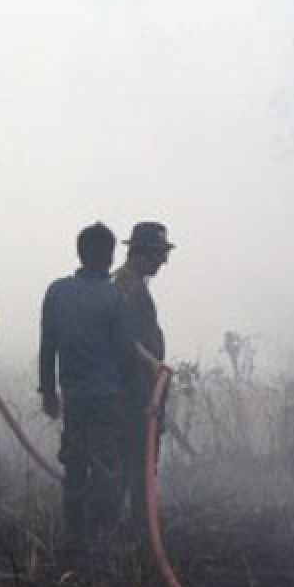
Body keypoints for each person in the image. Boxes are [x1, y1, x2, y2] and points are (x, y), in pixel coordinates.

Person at [39, 222, 136, 539]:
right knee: (105, 464)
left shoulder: (57, 291)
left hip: (74, 395)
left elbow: (47, 344)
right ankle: (103, 531)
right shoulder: (115, 297)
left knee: (75, 463)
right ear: (110, 257)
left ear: (80, 254)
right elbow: (125, 352)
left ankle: (75, 534)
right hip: (108, 397)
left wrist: (49, 392)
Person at [115, 221, 174, 535]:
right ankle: (140, 526)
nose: (163, 262)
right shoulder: (125, 291)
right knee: (137, 463)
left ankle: (139, 522)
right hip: (134, 396)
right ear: (140, 254)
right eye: (158, 255)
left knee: (139, 463)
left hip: (143, 392)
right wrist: (153, 367)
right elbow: (125, 342)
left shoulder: (133, 287)